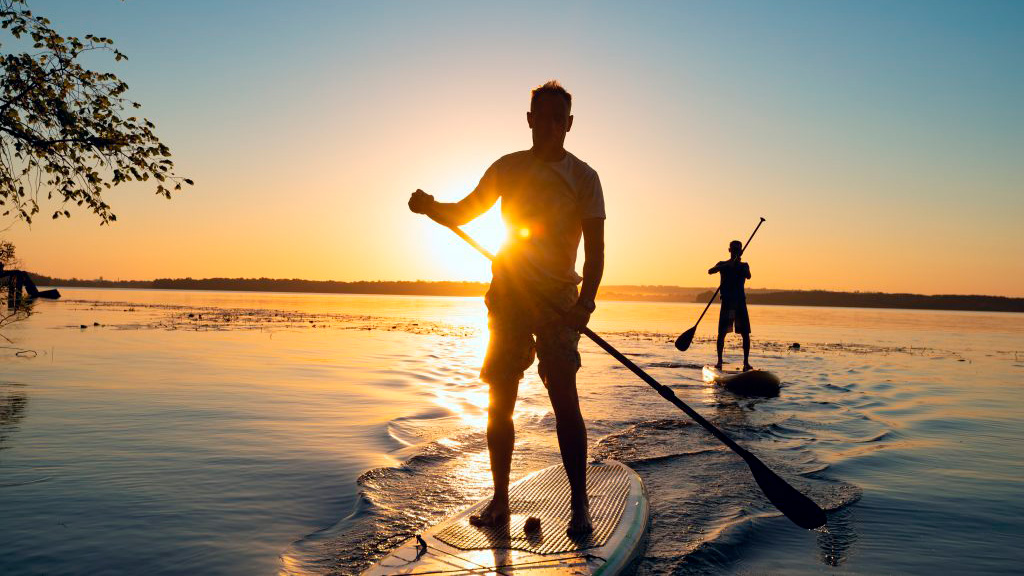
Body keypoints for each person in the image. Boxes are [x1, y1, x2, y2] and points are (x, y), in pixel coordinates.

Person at [408, 81, 604, 537]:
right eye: (543, 115)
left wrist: (585, 305)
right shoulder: (507, 168)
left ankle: (580, 506)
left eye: (560, 118)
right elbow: (463, 212)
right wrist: (430, 207)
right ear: (530, 119)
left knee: (564, 401)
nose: (551, 125)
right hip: (510, 294)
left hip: (558, 302)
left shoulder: (584, 177)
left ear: (569, 125)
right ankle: (500, 500)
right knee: (500, 399)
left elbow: (595, 252)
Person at [709, 240, 752, 371]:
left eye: (737, 250)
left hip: (740, 303)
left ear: (741, 251)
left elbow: (748, 276)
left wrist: (736, 265)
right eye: (733, 249)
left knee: (745, 333)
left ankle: (746, 362)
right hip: (727, 303)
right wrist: (726, 266)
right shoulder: (722, 264)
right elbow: (710, 271)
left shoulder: (744, 265)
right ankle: (719, 362)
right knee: (722, 333)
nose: (735, 251)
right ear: (729, 250)